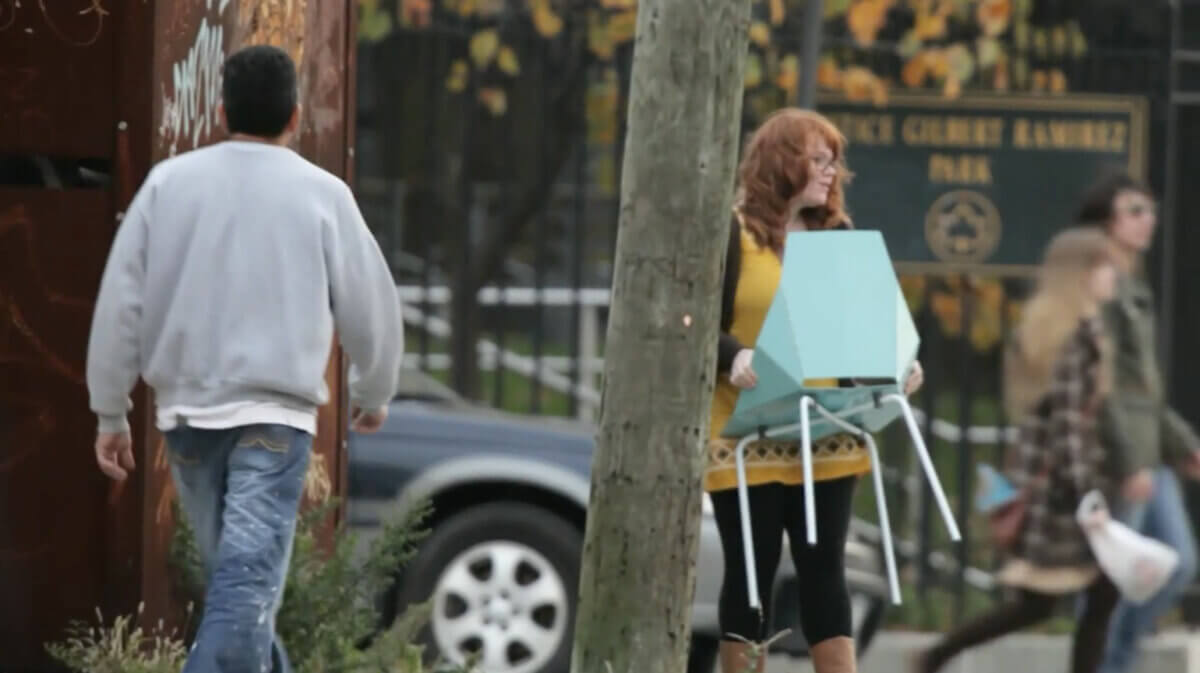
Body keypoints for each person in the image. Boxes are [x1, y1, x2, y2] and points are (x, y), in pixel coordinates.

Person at [85, 45, 404, 673]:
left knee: (239, 590)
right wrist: (373, 389)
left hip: (187, 419)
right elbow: (371, 300)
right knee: (244, 593)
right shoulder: (323, 194)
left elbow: (122, 301)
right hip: (274, 421)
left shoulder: (168, 185)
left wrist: (110, 411)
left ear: (222, 112)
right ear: (295, 115)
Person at [706, 108, 923, 673]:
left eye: (834, 161)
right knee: (750, 570)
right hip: (745, 431)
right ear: (782, 162)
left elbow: (861, 335)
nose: (832, 172)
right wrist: (735, 356)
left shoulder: (837, 235)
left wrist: (896, 367)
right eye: (819, 159)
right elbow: (698, 325)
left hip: (825, 429)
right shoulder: (732, 235)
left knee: (824, 568)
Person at [912, 227, 1123, 673]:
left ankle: (935, 656)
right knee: (1084, 594)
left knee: (1057, 599)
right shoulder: (1076, 336)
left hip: (1047, 479)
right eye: (1104, 267)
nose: (1113, 276)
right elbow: (1067, 422)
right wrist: (1085, 493)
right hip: (1060, 489)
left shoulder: (1057, 327)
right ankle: (934, 656)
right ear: (1081, 274)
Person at [1077, 173, 1200, 673]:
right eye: (1135, 211)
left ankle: (1117, 659)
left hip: (1152, 455)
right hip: (1121, 458)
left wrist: (1182, 444)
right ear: (1108, 220)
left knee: (1177, 564)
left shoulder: (1133, 285)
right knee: (1112, 581)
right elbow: (1101, 386)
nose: (1148, 220)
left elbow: (1145, 391)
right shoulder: (1099, 282)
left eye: (1149, 211)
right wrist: (1129, 462)